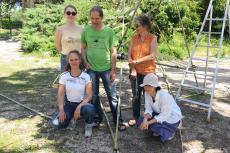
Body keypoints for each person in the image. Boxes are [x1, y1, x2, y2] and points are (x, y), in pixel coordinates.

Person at [81, 5, 127, 131]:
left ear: (102, 17)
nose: (94, 21)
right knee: (94, 96)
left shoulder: (109, 31)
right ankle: (97, 119)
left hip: (107, 69)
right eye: (92, 18)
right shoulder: (86, 30)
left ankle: (119, 121)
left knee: (112, 96)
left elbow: (113, 52)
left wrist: (113, 70)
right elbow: (83, 48)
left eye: (97, 18)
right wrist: (85, 62)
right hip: (92, 69)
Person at [56, 50, 96, 137]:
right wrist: (61, 110)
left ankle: (88, 125)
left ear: (80, 60)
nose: (74, 62)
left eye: (76, 59)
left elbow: (89, 95)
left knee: (90, 109)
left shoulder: (86, 76)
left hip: (83, 104)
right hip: (69, 104)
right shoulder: (64, 76)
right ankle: (72, 118)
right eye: (71, 60)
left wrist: (79, 106)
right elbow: (60, 95)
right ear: (68, 61)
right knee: (59, 124)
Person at [128, 15, 157, 126]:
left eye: (137, 25)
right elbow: (129, 54)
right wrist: (133, 68)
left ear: (144, 26)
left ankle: (149, 118)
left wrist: (136, 62)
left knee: (149, 96)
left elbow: (152, 56)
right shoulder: (134, 38)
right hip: (136, 71)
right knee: (136, 96)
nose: (135, 28)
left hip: (148, 72)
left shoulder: (153, 38)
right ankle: (135, 117)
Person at [137, 73, 182, 142]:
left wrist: (148, 123)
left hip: (171, 118)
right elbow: (148, 108)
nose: (146, 88)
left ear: (155, 86)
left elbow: (164, 115)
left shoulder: (164, 96)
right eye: (145, 85)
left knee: (155, 127)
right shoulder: (147, 93)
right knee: (141, 120)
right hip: (158, 113)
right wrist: (145, 119)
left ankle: (171, 131)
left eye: (149, 85)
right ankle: (158, 127)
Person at [55, 5, 83, 72]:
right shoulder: (60, 29)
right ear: (65, 14)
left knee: (79, 80)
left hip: (78, 59)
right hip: (65, 58)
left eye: (73, 13)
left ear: (76, 15)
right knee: (65, 80)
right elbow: (58, 46)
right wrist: (66, 55)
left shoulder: (82, 29)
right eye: (68, 13)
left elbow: (84, 46)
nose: (71, 15)